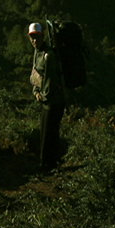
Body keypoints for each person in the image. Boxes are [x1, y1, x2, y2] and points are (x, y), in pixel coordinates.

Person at [28, 21, 66, 167]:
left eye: (37, 37)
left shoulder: (48, 56)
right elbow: (37, 75)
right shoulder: (37, 52)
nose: (34, 40)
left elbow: (50, 82)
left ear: (43, 36)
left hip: (53, 101)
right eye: (32, 37)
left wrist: (41, 97)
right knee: (47, 133)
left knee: (48, 134)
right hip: (47, 100)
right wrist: (36, 91)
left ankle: (47, 166)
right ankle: (50, 164)